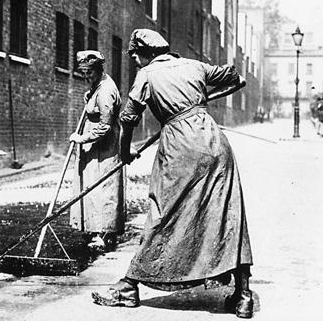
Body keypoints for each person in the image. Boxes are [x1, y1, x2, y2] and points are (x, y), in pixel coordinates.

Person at [91, 29, 254, 319]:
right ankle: (243, 295)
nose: (135, 61)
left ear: (146, 53)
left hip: (180, 148)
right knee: (227, 214)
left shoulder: (148, 75)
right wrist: (198, 101)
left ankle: (129, 286)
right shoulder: (194, 65)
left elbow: (128, 118)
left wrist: (126, 152)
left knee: (162, 212)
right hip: (216, 145)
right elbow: (235, 76)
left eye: (136, 56)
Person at [69, 50, 125, 252]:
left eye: (90, 72)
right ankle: (95, 229)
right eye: (84, 73)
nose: (87, 77)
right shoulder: (98, 86)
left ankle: (103, 233)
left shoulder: (106, 90)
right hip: (95, 147)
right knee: (92, 186)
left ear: (99, 69)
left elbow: (105, 126)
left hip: (103, 146)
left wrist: (82, 138)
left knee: (103, 187)